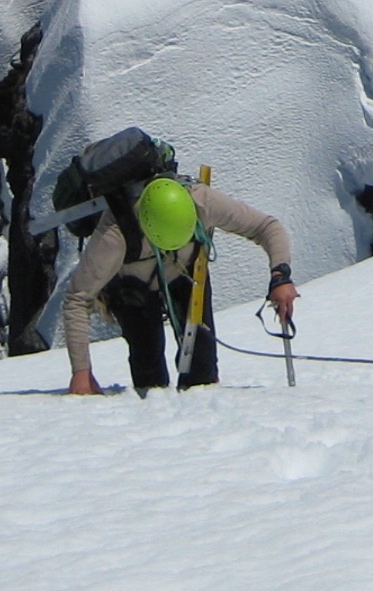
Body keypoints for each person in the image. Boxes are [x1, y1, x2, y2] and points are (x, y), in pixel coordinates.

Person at [61, 128, 296, 395]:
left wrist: (281, 276)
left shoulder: (201, 200)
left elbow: (266, 227)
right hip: (131, 282)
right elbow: (77, 298)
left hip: (186, 273)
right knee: (148, 371)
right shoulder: (114, 234)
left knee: (202, 370)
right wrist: (81, 374)